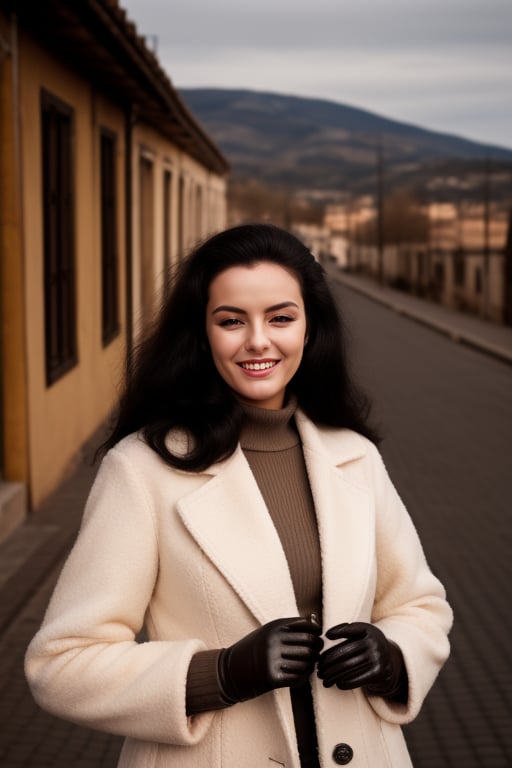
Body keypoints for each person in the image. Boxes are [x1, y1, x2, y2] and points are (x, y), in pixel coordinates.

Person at [25, 223, 452, 768]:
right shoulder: (141, 469)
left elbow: (420, 605)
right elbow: (61, 664)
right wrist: (219, 673)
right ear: (202, 334)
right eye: (231, 321)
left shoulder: (356, 457)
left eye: (281, 317)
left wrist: (395, 658)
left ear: (309, 327)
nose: (258, 340)